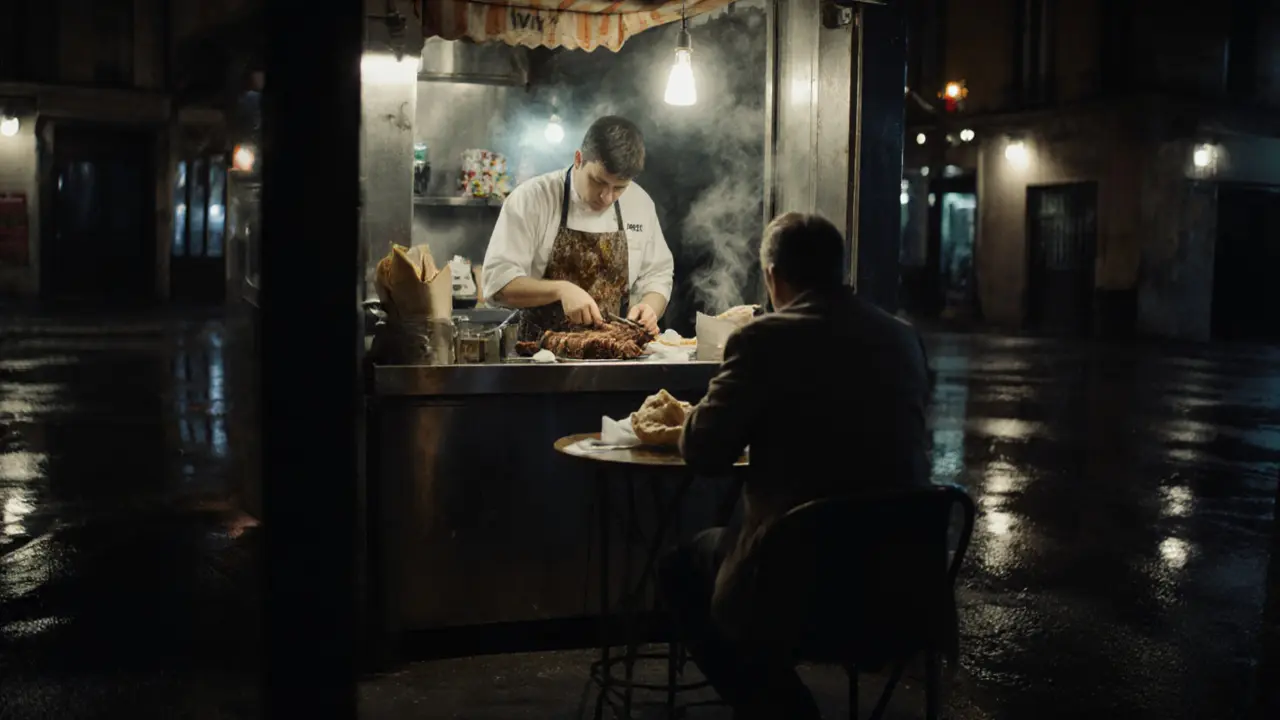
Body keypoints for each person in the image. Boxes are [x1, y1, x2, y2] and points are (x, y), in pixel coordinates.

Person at [657, 212, 932, 719]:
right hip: (904, 585)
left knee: (680, 569)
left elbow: (704, 453)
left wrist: (698, 413)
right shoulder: (903, 338)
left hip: (802, 585)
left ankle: (782, 711)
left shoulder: (762, 340)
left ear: (772, 276)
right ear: (837, 270)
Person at [482, 115, 674, 340]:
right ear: (578, 159)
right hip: (538, 357)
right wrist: (561, 289)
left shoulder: (640, 204)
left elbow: (657, 274)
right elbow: (498, 284)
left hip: (616, 355)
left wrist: (650, 307)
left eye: (619, 188)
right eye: (598, 182)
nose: (607, 197)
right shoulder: (532, 198)